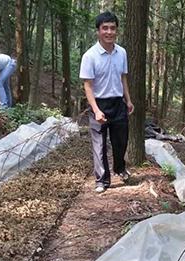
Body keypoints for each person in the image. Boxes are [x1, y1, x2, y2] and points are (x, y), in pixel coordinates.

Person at [80, 11, 134, 193]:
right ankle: (102, 180)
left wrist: (128, 100)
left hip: (118, 103)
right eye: (105, 28)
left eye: (112, 28)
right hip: (99, 104)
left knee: (121, 141)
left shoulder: (122, 53)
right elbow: (87, 86)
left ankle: (120, 168)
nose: (109, 32)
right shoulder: (90, 56)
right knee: (99, 145)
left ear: (116, 30)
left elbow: (123, 77)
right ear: (98, 31)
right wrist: (95, 110)